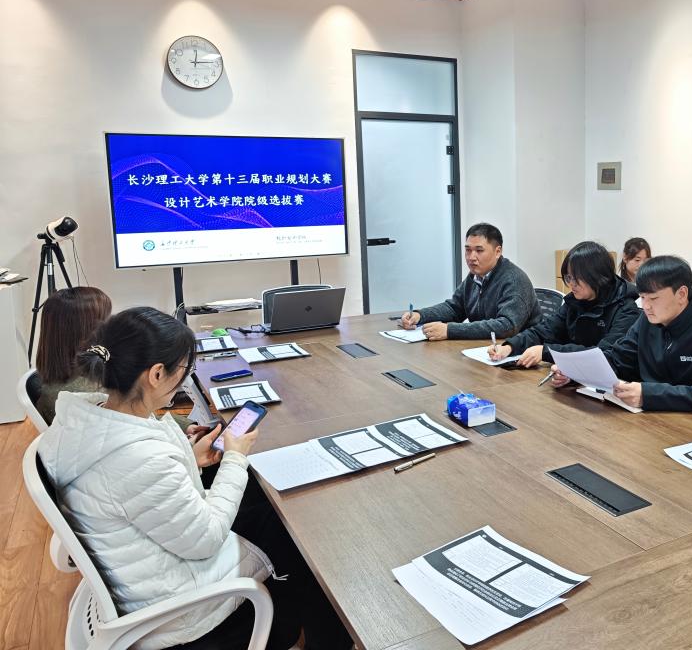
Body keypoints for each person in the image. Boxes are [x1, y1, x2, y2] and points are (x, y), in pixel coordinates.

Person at [38, 307, 349, 650]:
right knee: (302, 539)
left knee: (270, 509)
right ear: (156, 374)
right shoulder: (137, 456)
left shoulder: (86, 419)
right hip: (185, 616)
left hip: (144, 567)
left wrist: (190, 457)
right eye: (185, 369)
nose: (185, 379)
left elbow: (137, 488)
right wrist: (235, 457)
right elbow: (206, 538)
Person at [552, 255, 692, 418]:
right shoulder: (648, 319)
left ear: (681, 294)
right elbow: (619, 358)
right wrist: (575, 371)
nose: (646, 306)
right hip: (657, 419)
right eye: (643, 297)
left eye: (653, 298)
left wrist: (649, 395)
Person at [488, 241, 640, 367]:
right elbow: (544, 331)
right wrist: (509, 346)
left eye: (576, 278)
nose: (571, 284)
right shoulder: (574, 301)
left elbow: (602, 355)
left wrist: (546, 351)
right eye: (568, 278)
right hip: (571, 374)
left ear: (597, 277)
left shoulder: (626, 309)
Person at [400, 222, 542, 341]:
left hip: (520, 353)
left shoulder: (514, 280)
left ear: (497, 252)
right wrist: (420, 316)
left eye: (479, 251)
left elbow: (507, 326)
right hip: (484, 348)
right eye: (468, 250)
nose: (471, 257)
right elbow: (454, 308)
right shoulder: (475, 275)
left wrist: (450, 330)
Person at [33, 286, 112, 425]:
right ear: (86, 333)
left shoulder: (61, 380)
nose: (112, 326)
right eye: (107, 320)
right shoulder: (86, 396)